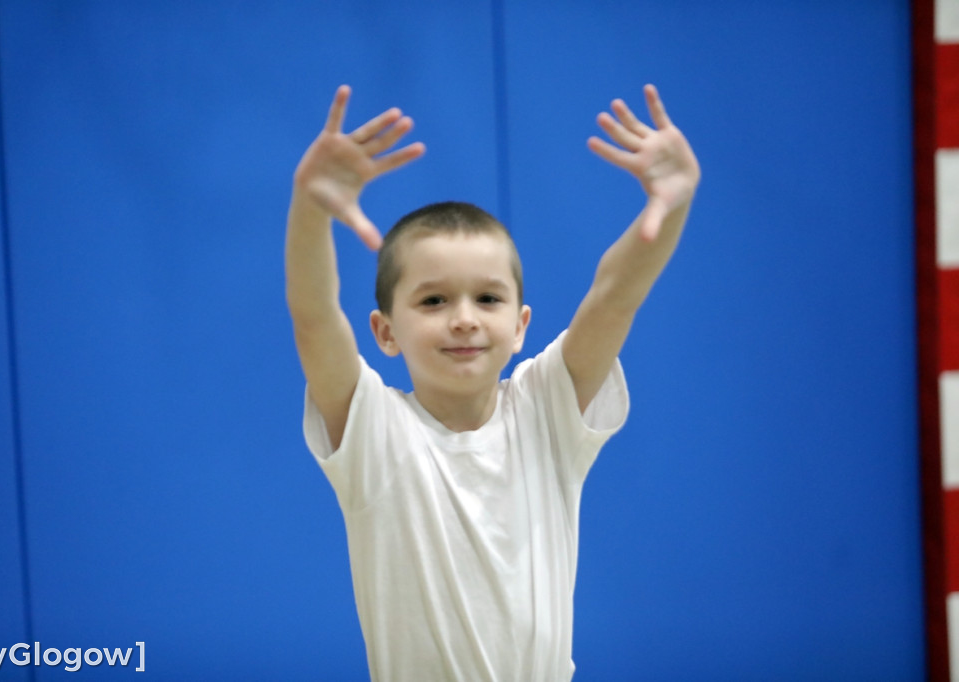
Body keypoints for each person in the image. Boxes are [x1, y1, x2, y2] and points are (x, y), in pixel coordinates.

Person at [285, 84, 699, 681]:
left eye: (487, 298)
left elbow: (614, 296)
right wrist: (310, 207)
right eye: (432, 300)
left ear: (521, 326)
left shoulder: (547, 410)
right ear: (384, 332)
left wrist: (673, 202)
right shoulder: (371, 428)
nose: (464, 317)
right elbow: (314, 315)